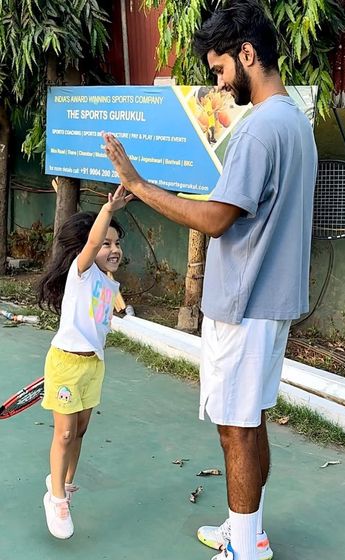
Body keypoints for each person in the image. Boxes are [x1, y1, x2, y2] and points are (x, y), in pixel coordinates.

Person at [103, 0, 317, 558]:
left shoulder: (259, 131)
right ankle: (249, 532)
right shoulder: (295, 122)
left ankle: (243, 549)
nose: (219, 83)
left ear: (247, 54)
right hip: (271, 305)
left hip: (243, 305)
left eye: (220, 69)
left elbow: (217, 219)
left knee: (235, 429)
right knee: (251, 420)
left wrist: (138, 185)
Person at [38, 185, 133, 539]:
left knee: (79, 432)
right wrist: (109, 210)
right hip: (65, 364)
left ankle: (64, 484)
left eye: (117, 243)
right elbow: (91, 244)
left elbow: (99, 324)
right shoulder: (82, 272)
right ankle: (56, 500)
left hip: (93, 366)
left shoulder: (107, 284)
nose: (113, 249)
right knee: (64, 433)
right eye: (106, 243)